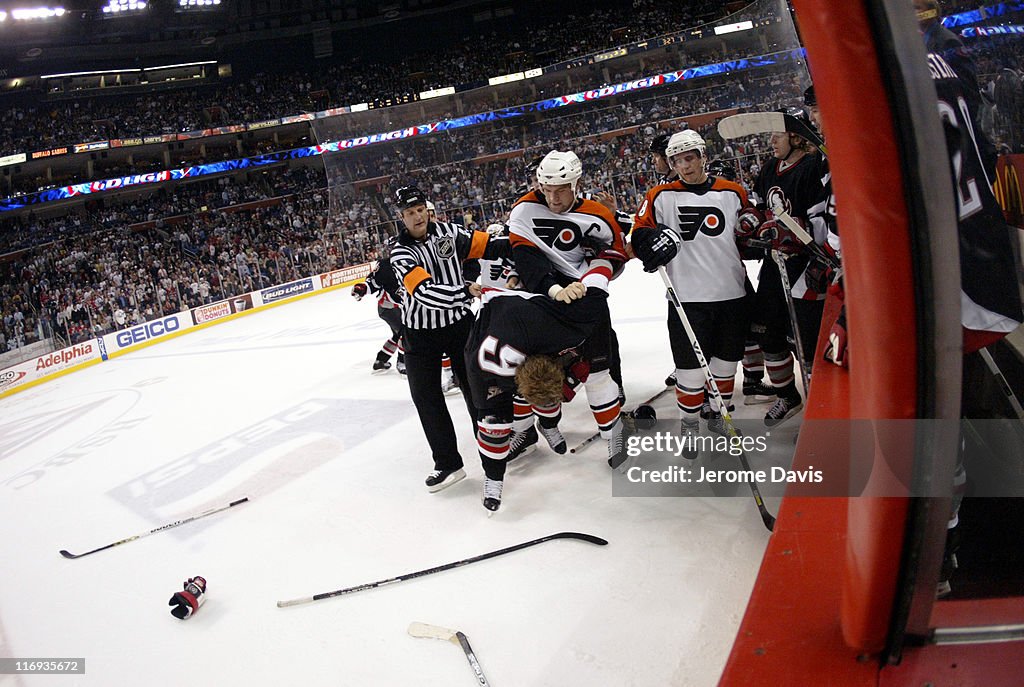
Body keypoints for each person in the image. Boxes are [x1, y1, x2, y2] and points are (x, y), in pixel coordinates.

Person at [630, 130, 760, 457]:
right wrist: (649, 246)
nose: (685, 166)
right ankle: (689, 426)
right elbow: (638, 236)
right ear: (671, 163)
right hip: (687, 298)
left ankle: (719, 418)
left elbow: (746, 237)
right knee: (688, 371)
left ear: (703, 156)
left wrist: (758, 235)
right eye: (677, 160)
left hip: (731, 293)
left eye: (690, 158)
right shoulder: (660, 195)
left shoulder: (733, 192)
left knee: (726, 366)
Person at [506, 150, 630, 466]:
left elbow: (614, 258)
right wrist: (555, 289)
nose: (553, 196)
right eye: (546, 188)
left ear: (576, 183)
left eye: (560, 189)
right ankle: (527, 432)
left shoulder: (597, 214)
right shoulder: (523, 211)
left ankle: (613, 439)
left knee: (599, 374)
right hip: (545, 306)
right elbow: (526, 259)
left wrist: (590, 282)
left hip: (588, 306)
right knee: (534, 375)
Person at [388, 186, 509, 492]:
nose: (417, 217)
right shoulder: (399, 252)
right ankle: (448, 464)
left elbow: (488, 245)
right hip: (419, 333)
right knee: (426, 398)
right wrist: (464, 292)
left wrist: (521, 244)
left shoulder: (450, 232)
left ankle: (490, 457)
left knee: (477, 392)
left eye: (420, 211)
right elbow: (423, 292)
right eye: (409, 213)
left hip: (459, 326)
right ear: (401, 217)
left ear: (427, 210)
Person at [465, 277, 615, 512]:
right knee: (494, 423)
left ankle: (548, 425)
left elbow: (599, 282)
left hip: (531, 316)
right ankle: (493, 479)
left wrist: (584, 283)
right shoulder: (483, 367)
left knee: (558, 390)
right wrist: (494, 471)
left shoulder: (567, 329)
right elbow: (489, 417)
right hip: (493, 315)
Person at [750, 107, 830, 426]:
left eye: (776, 134)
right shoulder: (770, 167)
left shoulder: (812, 168)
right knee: (766, 331)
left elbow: (820, 225)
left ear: (795, 137)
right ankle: (788, 395)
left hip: (806, 266)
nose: (770, 141)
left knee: (807, 342)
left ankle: (820, 409)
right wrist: (753, 223)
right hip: (774, 264)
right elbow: (758, 209)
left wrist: (797, 232)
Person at [352, 236, 406, 374]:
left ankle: (381, 360)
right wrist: (362, 288)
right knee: (405, 333)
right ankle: (402, 362)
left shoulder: (410, 261)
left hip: (400, 306)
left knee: (397, 334)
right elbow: (372, 282)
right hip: (389, 307)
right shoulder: (385, 265)